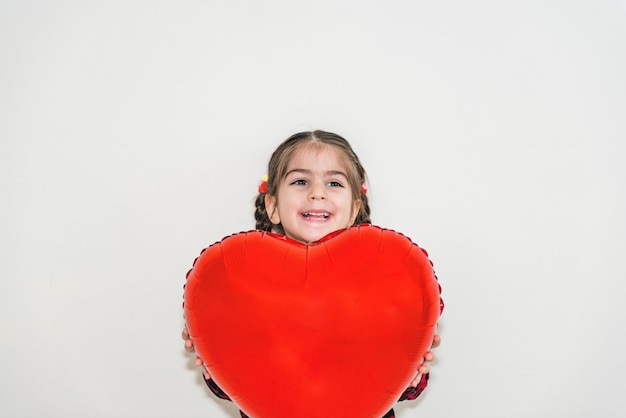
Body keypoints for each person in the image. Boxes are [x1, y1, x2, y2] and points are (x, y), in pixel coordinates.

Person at [182, 130, 441, 417]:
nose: (317, 193)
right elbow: (244, 372)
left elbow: (387, 368)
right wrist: (211, 357)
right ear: (273, 206)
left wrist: (413, 372)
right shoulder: (241, 281)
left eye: (333, 183)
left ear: (355, 207)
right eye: (300, 181)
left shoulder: (386, 278)